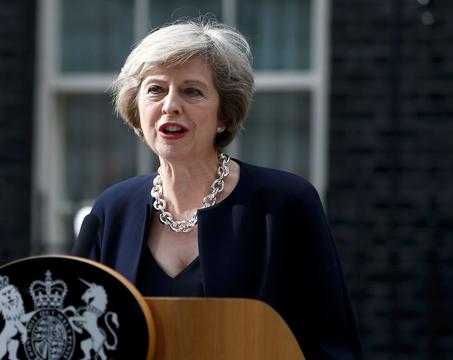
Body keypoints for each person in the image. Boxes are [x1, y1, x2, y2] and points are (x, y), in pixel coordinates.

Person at [81, 19, 362, 359]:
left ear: (224, 116)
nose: (170, 104)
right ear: (137, 111)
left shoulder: (286, 203)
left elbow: (331, 345)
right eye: (155, 89)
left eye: (191, 91)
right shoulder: (112, 210)